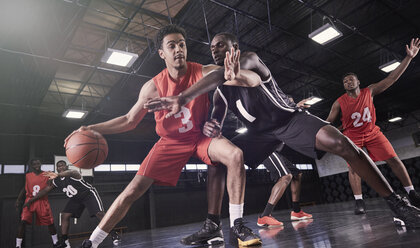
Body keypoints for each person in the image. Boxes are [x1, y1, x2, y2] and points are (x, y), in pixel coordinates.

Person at [146, 32, 420, 244]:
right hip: (260, 134)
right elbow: (217, 111)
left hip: (289, 120)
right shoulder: (219, 87)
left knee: (342, 144)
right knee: (215, 159)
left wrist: (188, 95)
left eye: (221, 44)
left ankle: (396, 203)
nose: (215, 49)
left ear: (235, 48)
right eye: (212, 47)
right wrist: (213, 126)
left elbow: (247, 78)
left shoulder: (250, 59)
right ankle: (212, 224)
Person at [65, 25, 261, 248]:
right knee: (132, 190)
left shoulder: (202, 71)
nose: (178, 49)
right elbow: (129, 120)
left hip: (199, 137)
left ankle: (237, 225)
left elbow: (253, 80)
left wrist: (237, 74)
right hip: (170, 142)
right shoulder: (152, 87)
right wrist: (92, 128)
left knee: (235, 155)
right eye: (172, 46)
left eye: (182, 44)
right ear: (162, 54)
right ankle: (92, 242)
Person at [326, 38, 420, 215]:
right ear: (343, 86)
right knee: (354, 169)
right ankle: (359, 202)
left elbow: (392, 78)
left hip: (372, 133)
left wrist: (408, 58)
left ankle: (411, 192)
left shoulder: (369, 91)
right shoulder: (339, 102)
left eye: (351, 79)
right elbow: (328, 122)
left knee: (393, 159)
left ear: (358, 82)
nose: (348, 82)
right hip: (352, 137)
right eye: (345, 81)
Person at [23, 160, 121, 248]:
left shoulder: (73, 174)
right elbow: (45, 191)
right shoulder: (56, 181)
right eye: (58, 166)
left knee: (99, 213)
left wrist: (58, 174)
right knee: (64, 216)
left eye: (62, 166)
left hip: (88, 195)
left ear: (66, 167)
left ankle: (113, 233)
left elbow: (71, 172)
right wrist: (31, 200)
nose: (60, 167)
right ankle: (65, 241)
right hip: (76, 199)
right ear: (56, 168)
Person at [15, 158, 59, 248]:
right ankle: (18, 245)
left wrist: (54, 177)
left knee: (50, 222)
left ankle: (56, 242)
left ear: (40, 163)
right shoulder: (28, 176)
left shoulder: (46, 174)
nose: (36, 166)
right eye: (34, 164)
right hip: (29, 200)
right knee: (22, 222)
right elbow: (25, 188)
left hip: (42, 201)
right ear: (32, 166)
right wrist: (18, 199)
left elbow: (53, 182)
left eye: (38, 163)